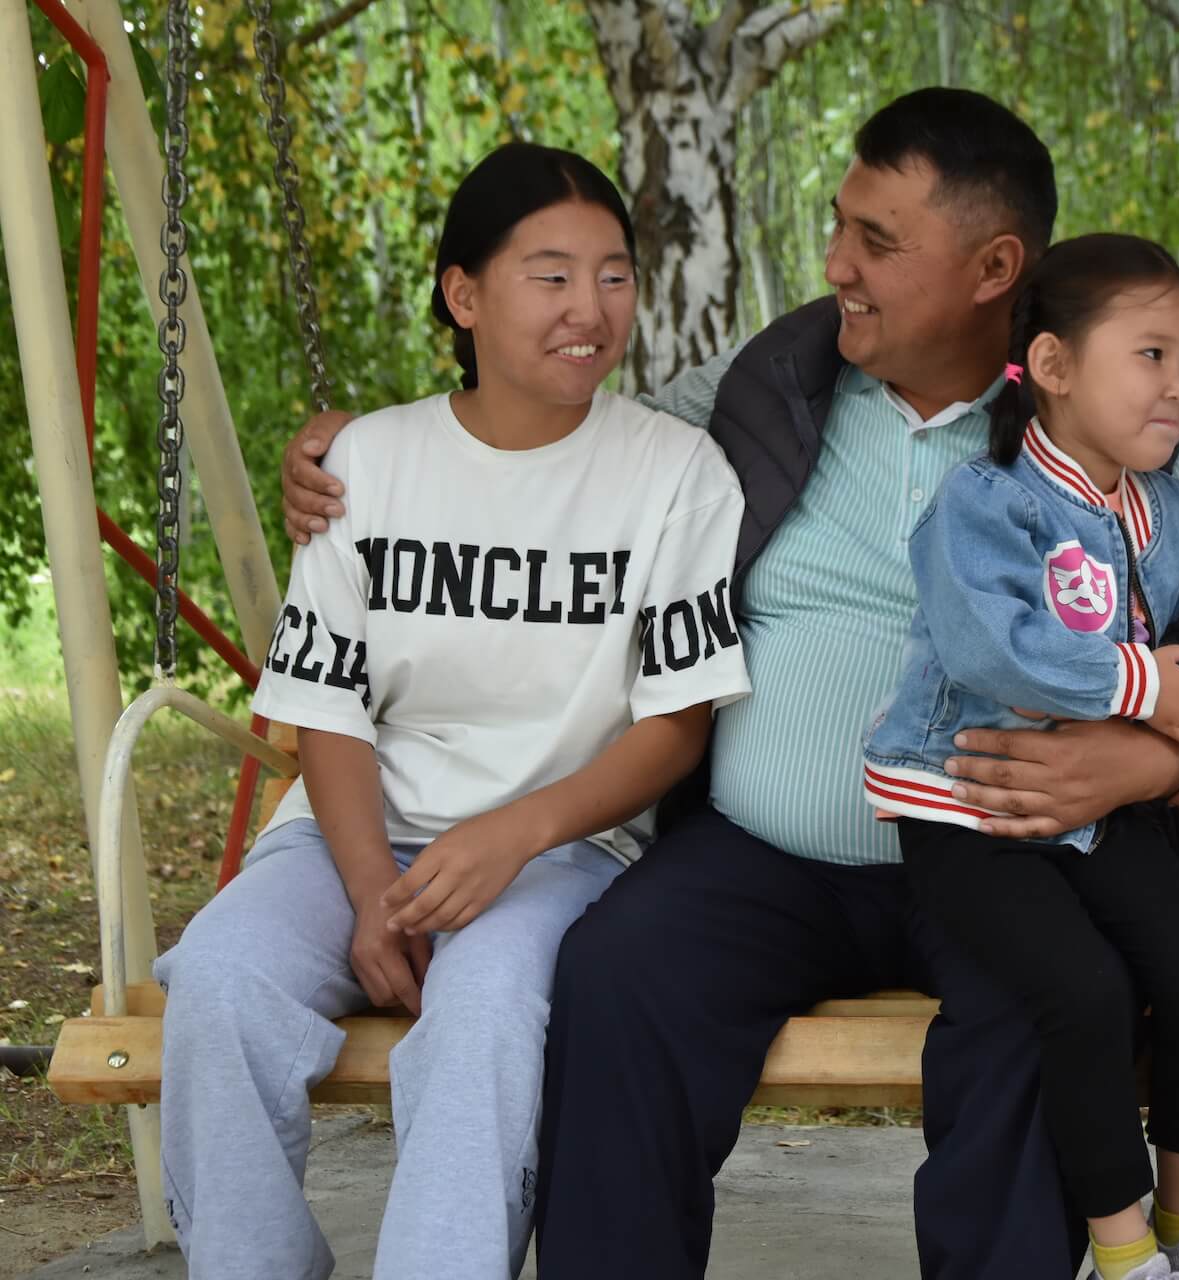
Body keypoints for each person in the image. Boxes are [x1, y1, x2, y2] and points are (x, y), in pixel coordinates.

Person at [278, 90, 1179, 1278]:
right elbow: (561, 434)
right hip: (762, 854)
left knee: (1041, 1014)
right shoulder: (772, 379)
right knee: (623, 978)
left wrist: (1149, 757)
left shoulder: (1120, 431)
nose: (838, 262)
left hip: (1003, 855)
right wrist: (368, 448)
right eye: (842, 224)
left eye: (878, 240)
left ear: (995, 266)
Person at [153, 142, 750, 1280]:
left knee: (482, 1018)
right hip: (351, 836)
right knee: (221, 981)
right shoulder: (367, 464)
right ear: (463, 293)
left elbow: (677, 723)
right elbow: (326, 704)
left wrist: (513, 834)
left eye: (614, 274)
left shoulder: (677, 474)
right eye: (552, 274)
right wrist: (375, 883)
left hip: (564, 848)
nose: (590, 308)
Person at [867, 233, 1179, 1280]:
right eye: (1151, 355)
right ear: (1054, 366)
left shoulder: (1172, 514)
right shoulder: (988, 503)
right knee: (1087, 992)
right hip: (974, 812)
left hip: (1112, 814)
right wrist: (1151, 685)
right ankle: (1124, 1254)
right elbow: (992, 647)